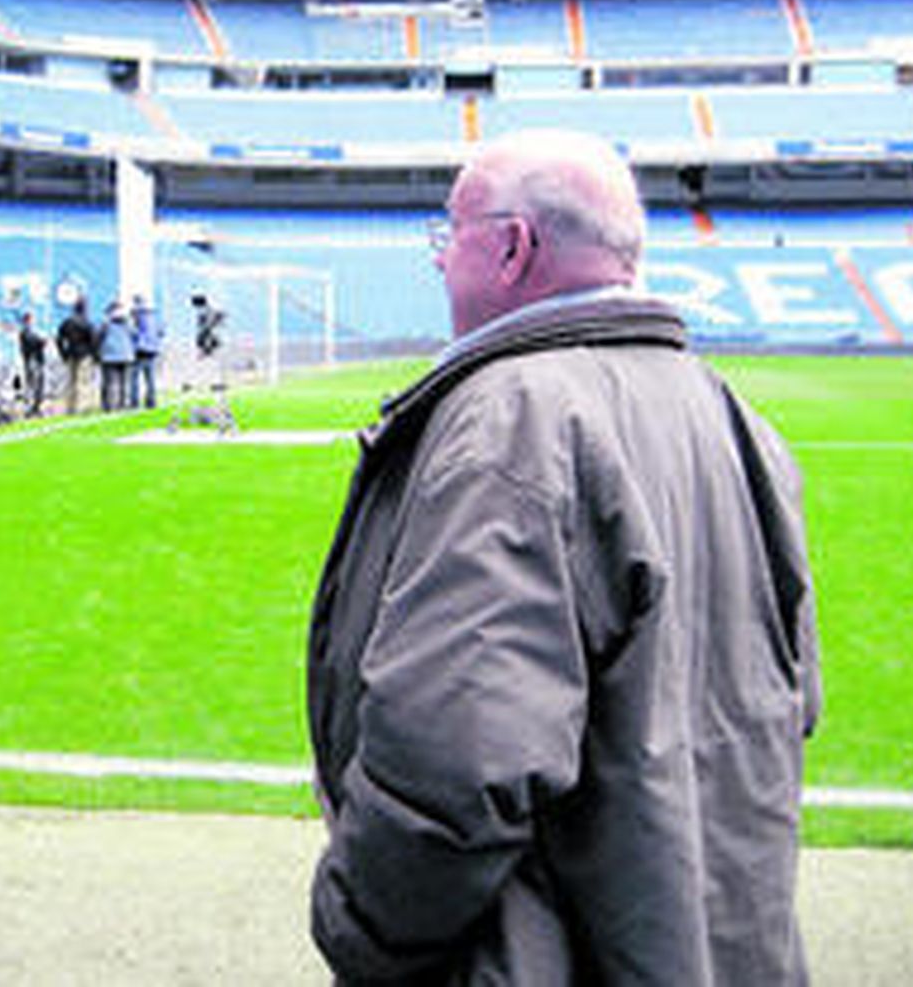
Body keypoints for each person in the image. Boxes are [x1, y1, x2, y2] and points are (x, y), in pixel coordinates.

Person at [307, 130, 822, 985]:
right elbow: (791, 703)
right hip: (716, 945)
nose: (440, 262)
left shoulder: (510, 421)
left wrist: (356, 925)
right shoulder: (738, 422)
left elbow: (454, 762)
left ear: (512, 248)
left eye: (452, 232)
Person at [55, 297, 96, 415]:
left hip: (71, 355)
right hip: (84, 355)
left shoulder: (67, 322)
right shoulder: (87, 323)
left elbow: (58, 339)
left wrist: (63, 353)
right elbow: (93, 340)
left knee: (71, 383)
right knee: (83, 382)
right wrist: (94, 355)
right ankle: (82, 408)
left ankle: (70, 409)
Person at [96, 300, 135, 412]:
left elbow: (98, 338)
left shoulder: (105, 324)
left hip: (109, 356)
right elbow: (134, 335)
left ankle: (108, 405)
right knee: (124, 382)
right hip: (126, 355)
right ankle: (122, 404)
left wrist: (97, 352)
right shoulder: (128, 323)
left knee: (109, 382)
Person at [129, 295, 163, 409]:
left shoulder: (136, 315)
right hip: (153, 349)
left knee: (134, 377)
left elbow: (133, 331)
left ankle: (134, 402)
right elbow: (161, 331)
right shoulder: (155, 316)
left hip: (140, 349)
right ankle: (151, 402)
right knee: (150, 378)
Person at [16, 310, 47, 416]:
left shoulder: (32, 332)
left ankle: (36, 407)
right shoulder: (25, 332)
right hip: (31, 360)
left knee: (38, 385)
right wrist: (41, 342)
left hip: (37, 360)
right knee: (32, 385)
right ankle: (29, 408)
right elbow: (32, 343)